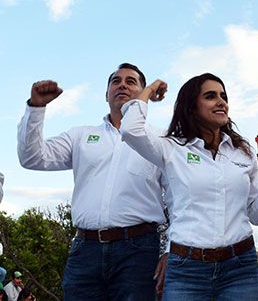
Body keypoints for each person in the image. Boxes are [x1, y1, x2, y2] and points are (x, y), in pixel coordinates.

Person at [120, 73, 258, 300]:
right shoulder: (171, 148)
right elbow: (130, 130)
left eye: (223, 96)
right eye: (210, 96)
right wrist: (150, 89)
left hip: (240, 267)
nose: (221, 102)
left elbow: (256, 216)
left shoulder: (243, 150)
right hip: (186, 269)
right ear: (191, 107)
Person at [17, 63, 167, 300]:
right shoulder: (80, 136)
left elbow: (180, 197)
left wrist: (170, 251)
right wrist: (36, 108)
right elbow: (32, 158)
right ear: (106, 94)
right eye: (115, 81)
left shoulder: (161, 139)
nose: (122, 85)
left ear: (143, 92)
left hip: (139, 250)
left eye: (131, 81)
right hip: (85, 250)